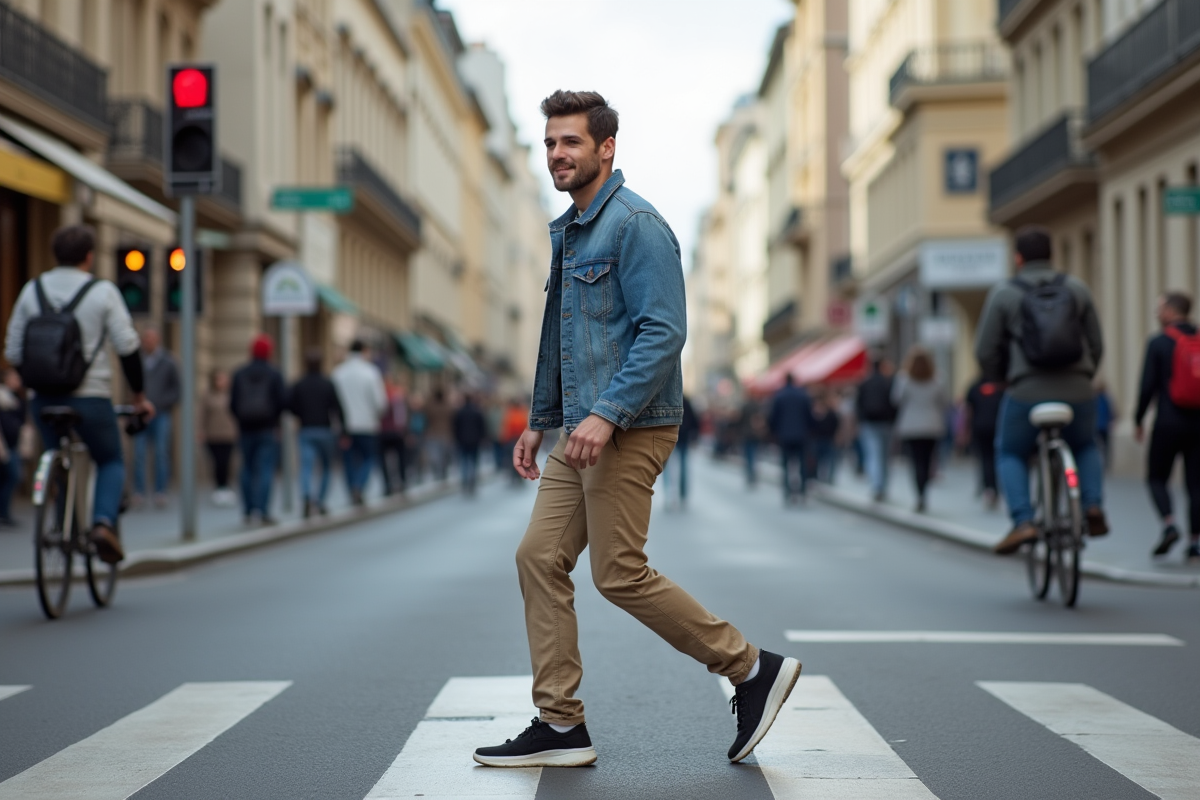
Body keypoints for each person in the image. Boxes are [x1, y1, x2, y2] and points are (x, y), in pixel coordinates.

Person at [474, 91, 799, 770]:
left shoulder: (635, 225)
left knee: (618, 574)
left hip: (631, 424)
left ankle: (748, 667)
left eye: (570, 142)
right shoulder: (572, 231)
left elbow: (664, 334)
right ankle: (560, 724)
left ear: (606, 148)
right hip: (582, 429)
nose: (557, 155)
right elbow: (558, 340)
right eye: (550, 144)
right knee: (537, 557)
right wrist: (541, 420)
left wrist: (604, 414)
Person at [3, 224, 154, 562]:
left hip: (43, 399)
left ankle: (59, 517)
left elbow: (13, 351)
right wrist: (139, 396)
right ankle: (102, 523)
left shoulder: (32, 290)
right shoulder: (102, 292)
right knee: (110, 459)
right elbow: (127, 346)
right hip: (91, 397)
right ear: (89, 256)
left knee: (56, 453)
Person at [976, 226, 1108, 555]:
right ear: (1052, 255)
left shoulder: (1004, 293)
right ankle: (1091, 505)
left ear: (1018, 258)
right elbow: (1096, 343)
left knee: (1009, 452)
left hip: (1026, 392)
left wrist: (1002, 378)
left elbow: (984, 350)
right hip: (1077, 390)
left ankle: (1023, 521)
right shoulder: (1076, 288)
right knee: (1084, 444)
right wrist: (1085, 373)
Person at [1135, 291, 1200, 562]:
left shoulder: (1159, 342)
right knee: (1196, 483)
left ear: (1171, 312)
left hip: (1168, 422)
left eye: (1160, 308)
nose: (1157, 313)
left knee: (1156, 477)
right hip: (1198, 423)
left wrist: (1138, 418)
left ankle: (1169, 523)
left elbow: (1147, 386)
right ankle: (1195, 542)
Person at [230, 334, 285, 526]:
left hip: (245, 428)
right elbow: (282, 402)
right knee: (265, 470)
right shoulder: (274, 373)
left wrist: (240, 420)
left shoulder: (240, 373)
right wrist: (275, 422)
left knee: (247, 468)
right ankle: (262, 511)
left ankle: (247, 510)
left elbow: (233, 403)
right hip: (267, 428)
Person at [331, 340, 387, 507]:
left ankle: (351, 489)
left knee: (348, 460)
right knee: (368, 458)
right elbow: (380, 403)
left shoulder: (338, 372)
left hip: (344, 426)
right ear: (364, 351)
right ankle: (359, 486)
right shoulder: (371, 372)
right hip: (366, 425)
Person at [288, 350, 343, 517]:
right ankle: (320, 501)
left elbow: (289, 404)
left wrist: (301, 415)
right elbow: (338, 407)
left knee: (306, 467)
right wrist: (344, 429)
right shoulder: (328, 383)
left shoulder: (299, 384)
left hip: (306, 429)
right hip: (325, 430)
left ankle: (306, 496)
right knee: (326, 468)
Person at [892, 347, 947, 513]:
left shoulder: (904, 379)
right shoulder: (937, 379)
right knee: (927, 461)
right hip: (931, 425)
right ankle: (924, 493)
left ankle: (919, 495)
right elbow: (943, 402)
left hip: (911, 426)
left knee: (916, 462)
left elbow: (896, 400)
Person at [131, 327, 179, 508]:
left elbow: (177, 390)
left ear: (157, 340)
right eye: (146, 339)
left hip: (160, 414)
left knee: (160, 453)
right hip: (140, 416)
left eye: (151, 339)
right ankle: (139, 492)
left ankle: (160, 491)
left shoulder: (168, 362)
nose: (148, 342)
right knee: (139, 454)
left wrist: (161, 404)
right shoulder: (138, 360)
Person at [856, 356, 897, 502]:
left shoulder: (864, 383)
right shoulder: (888, 383)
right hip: (886, 424)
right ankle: (883, 487)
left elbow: (858, 405)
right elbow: (894, 404)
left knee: (873, 455)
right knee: (885, 458)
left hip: (869, 424)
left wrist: (859, 422)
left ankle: (876, 486)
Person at [769, 374, 813, 504]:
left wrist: (774, 432)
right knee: (802, 464)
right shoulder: (803, 395)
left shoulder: (779, 396)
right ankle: (803, 491)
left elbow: (773, 418)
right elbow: (809, 416)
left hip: (784, 435)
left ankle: (788, 492)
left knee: (786, 465)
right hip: (801, 435)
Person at [963, 375, 1004, 509]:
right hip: (998, 427)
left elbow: (968, 410)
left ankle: (988, 488)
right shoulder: (1001, 386)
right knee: (999, 458)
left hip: (979, 427)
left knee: (985, 458)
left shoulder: (975, 386)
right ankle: (996, 488)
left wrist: (966, 430)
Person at [200, 368, 238, 507]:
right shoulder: (208, 395)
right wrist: (201, 430)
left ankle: (225, 487)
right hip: (213, 434)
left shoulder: (233, 394)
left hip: (229, 434)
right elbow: (202, 414)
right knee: (216, 462)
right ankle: (218, 488)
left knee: (226, 462)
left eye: (224, 379)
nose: (222, 382)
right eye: (219, 379)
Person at [662, 393, 701, 504]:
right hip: (683, 437)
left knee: (667, 467)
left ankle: (669, 493)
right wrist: (694, 435)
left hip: (669, 436)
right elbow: (694, 420)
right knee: (683, 466)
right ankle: (682, 494)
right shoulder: (686, 400)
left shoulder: (667, 398)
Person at [0, 368, 26, 527]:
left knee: (10, 477)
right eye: (14, 377)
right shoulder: (3, 397)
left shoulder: (17, 398)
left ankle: (4, 512)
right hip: (4, 445)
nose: (17, 380)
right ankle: (3, 512)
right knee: (12, 476)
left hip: (13, 445)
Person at [379, 375, 409, 497]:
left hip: (384, 431)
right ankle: (401, 481)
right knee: (400, 458)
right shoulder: (397, 396)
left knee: (384, 460)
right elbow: (401, 416)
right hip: (395, 432)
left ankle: (388, 484)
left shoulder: (381, 396)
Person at [452, 392, 487, 495]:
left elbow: (455, 427)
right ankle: (472, 480)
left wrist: (457, 438)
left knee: (464, 461)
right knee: (473, 461)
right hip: (474, 441)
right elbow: (482, 427)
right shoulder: (477, 411)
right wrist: (482, 438)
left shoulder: (460, 412)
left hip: (462, 440)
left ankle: (465, 481)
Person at [808, 386, 840, 484]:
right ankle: (816, 476)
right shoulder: (812, 413)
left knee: (828, 460)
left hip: (827, 439)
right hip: (817, 439)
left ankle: (828, 478)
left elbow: (836, 424)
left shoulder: (830, 412)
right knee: (817, 459)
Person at [423, 388, 454, 482]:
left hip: (433, 434)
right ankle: (443, 473)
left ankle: (437, 472)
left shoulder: (430, 407)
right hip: (445, 434)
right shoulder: (448, 407)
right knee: (444, 455)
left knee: (435, 456)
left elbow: (425, 418)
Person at [736, 398, 767, 487]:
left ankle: (750, 472)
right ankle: (753, 471)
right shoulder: (758, 407)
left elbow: (740, 420)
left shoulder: (745, 406)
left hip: (746, 434)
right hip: (755, 434)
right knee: (754, 454)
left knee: (748, 455)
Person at [500, 397, 530, 485]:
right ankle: (519, 475)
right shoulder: (522, 413)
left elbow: (506, 428)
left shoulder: (510, 414)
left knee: (513, 459)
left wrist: (505, 439)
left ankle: (515, 475)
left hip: (512, 440)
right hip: (519, 439)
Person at [1095, 378, 1117, 471]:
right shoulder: (1106, 399)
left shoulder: (1095, 399)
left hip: (1098, 426)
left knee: (1097, 447)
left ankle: (1102, 464)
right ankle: (1106, 464)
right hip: (1104, 426)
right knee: (1105, 447)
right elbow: (1112, 412)